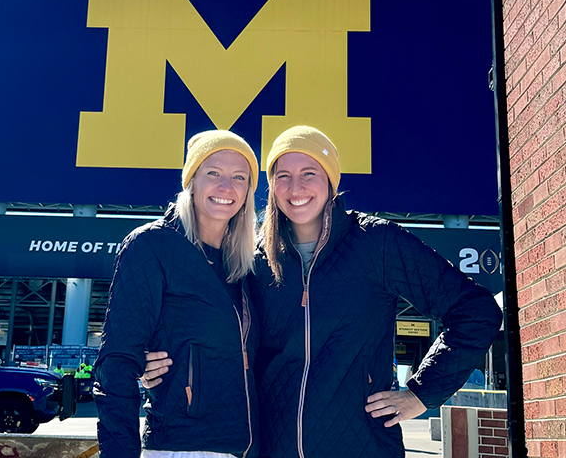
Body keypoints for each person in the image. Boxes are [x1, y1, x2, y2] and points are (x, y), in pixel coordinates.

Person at [143, 126, 503, 458]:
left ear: (330, 181)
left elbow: (476, 312)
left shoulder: (376, 243)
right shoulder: (254, 261)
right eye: (282, 177)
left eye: (309, 174)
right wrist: (152, 359)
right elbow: (211, 334)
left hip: (361, 446)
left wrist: (422, 394)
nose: (295, 188)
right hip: (272, 449)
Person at [94, 130, 261, 458]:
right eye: (213, 173)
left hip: (247, 448)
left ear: (247, 192)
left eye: (239, 177)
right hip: (183, 448)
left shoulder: (247, 264)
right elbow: (116, 363)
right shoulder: (151, 246)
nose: (226, 187)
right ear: (192, 181)